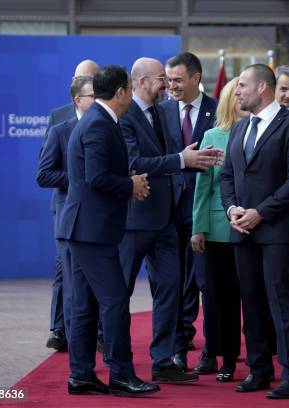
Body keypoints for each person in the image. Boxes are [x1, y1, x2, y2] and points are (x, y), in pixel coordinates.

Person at [58, 65, 158, 396]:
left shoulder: (99, 121)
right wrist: (130, 185)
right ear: (119, 92)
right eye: (129, 90)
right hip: (92, 231)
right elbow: (97, 178)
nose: (132, 96)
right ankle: (121, 374)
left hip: (86, 229)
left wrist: (130, 181)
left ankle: (82, 375)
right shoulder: (99, 125)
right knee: (115, 301)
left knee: (85, 305)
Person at [119, 57, 221, 383]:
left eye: (170, 79)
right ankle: (117, 362)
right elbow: (134, 162)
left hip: (164, 219)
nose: (166, 85)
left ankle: (163, 361)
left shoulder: (160, 112)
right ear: (142, 81)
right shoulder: (124, 115)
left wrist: (193, 162)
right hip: (135, 220)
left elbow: (170, 160)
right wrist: (181, 159)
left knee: (171, 288)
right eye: (162, 79)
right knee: (119, 293)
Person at [220, 64, 289, 399]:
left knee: (280, 300)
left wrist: (261, 212)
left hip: (275, 231)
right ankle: (259, 370)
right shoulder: (239, 127)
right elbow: (227, 176)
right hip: (241, 230)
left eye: (242, 85)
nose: (237, 91)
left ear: (262, 87)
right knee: (252, 302)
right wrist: (233, 210)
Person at [160, 52, 218, 370]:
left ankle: (213, 348)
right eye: (169, 80)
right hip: (169, 210)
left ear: (196, 78)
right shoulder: (162, 112)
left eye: (178, 80)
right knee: (177, 281)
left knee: (207, 281)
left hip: (205, 210)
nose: (172, 86)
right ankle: (179, 347)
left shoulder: (217, 111)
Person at [190, 77, 247, 382]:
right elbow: (203, 187)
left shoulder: (258, 133)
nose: (243, 99)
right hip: (215, 231)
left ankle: (234, 357)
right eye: (237, 95)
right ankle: (214, 354)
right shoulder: (213, 135)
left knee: (242, 297)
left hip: (248, 229)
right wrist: (198, 228)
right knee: (214, 298)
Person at [41, 59, 99, 351]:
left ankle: (95, 332)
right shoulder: (59, 119)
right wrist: (79, 179)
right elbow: (46, 168)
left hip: (100, 211)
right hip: (66, 208)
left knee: (96, 272)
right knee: (65, 270)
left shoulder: (109, 117)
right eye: (86, 80)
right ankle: (59, 329)